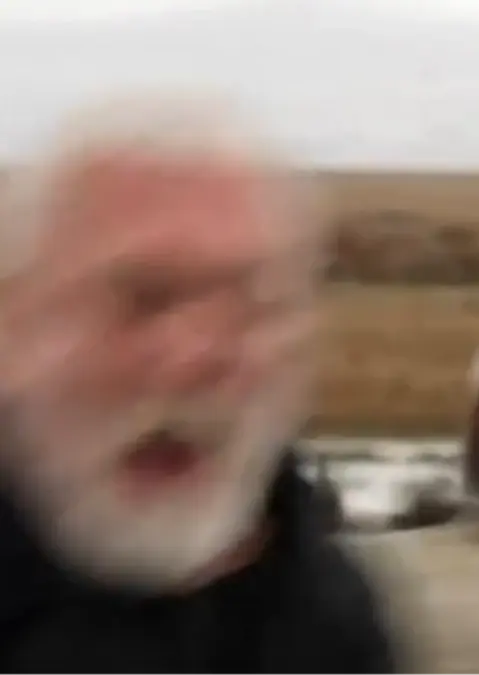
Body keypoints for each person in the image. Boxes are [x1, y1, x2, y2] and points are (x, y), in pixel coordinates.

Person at [0, 92, 397, 674]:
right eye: (143, 297)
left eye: (255, 304)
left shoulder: (327, 617)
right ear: (14, 326)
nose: (201, 356)